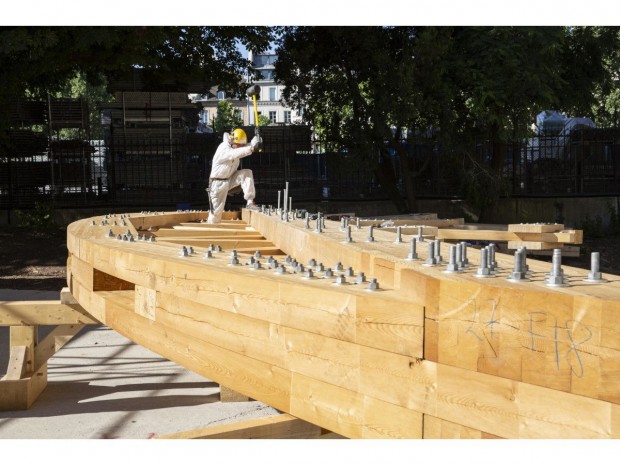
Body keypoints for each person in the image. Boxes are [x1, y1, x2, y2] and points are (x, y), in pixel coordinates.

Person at [206, 128, 261, 224]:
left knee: (247, 173)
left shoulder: (235, 145)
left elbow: (244, 147)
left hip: (229, 179)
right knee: (215, 216)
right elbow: (234, 153)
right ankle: (211, 231)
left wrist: (256, 141)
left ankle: (250, 202)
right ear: (233, 142)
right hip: (217, 184)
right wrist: (251, 147)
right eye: (240, 145)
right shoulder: (223, 148)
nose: (241, 147)